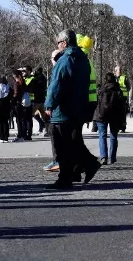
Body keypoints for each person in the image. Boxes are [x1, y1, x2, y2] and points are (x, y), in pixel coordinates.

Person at [45, 29, 101, 189]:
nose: (58, 46)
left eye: (58, 43)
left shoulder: (65, 59)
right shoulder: (83, 59)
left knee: (62, 144)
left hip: (63, 109)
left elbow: (57, 83)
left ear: (64, 43)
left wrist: (49, 103)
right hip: (78, 107)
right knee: (72, 142)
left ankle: (73, 173)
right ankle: (77, 170)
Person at [93, 72, 126, 165]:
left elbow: (97, 104)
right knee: (113, 136)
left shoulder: (101, 90)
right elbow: (122, 106)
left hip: (101, 115)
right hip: (115, 116)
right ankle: (112, 157)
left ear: (105, 80)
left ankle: (103, 157)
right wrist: (123, 120)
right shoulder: (118, 90)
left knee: (102, 136)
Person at [11, 70, 32, 141]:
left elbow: (16, 94)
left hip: (18, 103)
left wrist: (12, 101)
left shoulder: (16, 83)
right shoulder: (23, 82)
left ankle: (20, 135)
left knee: (19, 120)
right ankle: (24, 135)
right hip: (25, 103)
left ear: (14, 76)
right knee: (24, 120)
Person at [0, 76, 12, 143]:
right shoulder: (8, 86)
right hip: (7, 104)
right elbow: (11, 95)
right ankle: (6, 137)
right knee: (5, 121)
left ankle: (1, 137)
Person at [115, 65, 131, 133]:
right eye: (119, 70)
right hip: (115, 98)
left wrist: (125, 93)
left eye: (121, 70)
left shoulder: (124, 77)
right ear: (115, 71)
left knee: (123, 114)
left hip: (122, 99)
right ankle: (117, 127)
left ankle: (123, 127)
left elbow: (128, 87)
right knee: (116, 113)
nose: (120, 71)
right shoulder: (113, 77)